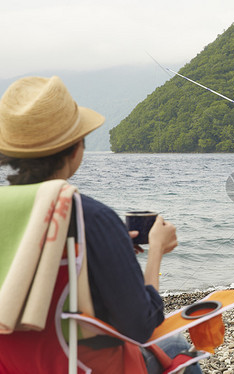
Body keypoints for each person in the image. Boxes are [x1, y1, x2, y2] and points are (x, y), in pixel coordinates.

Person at [0, 76, 202, 374]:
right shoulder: (90, 217)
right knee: (177, 348)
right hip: (79, 366)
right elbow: (140, 327)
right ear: (75, 149)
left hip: (13, 365)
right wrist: (156, 248)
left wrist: (113, 249)